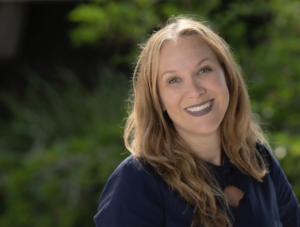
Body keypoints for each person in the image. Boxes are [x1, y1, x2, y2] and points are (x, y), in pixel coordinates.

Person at [94, 16, 300, 227]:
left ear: (227, 76)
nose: (194, 90)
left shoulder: (258, 160)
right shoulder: (137, 183)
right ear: (158, 100)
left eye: (204, 70)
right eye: (173, 80)